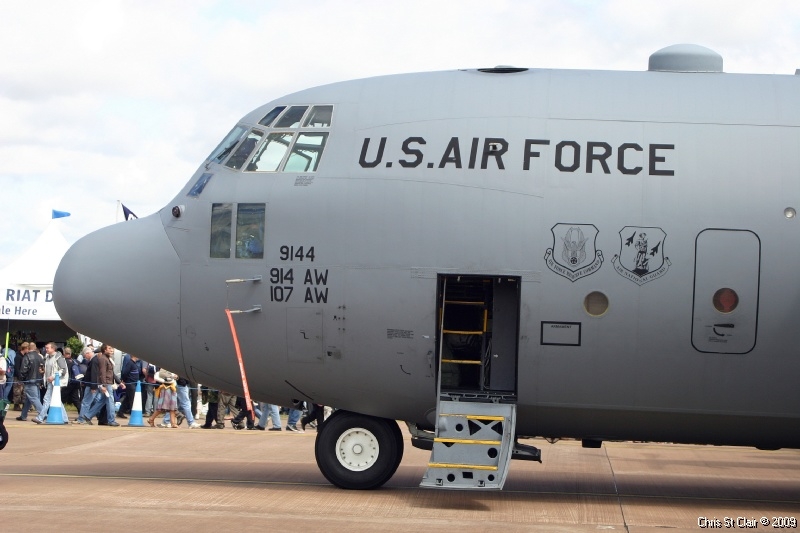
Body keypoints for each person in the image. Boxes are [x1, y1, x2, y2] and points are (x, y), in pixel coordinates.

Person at [77, 344, 123, 426]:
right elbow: (102, 373)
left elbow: (110, 373)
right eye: (109, 348)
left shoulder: (106, 359)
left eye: (112, 348)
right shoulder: (103, 359)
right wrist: (103, 385)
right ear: (104, 350)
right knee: (110, 401)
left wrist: (119, 382)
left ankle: (87, 416)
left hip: (105, 383)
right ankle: (111, 420)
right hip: (106, 383)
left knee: (102, 401)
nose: (112, 350)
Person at [33, 342, 69, 424]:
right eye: (45, 348)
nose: (46, 349)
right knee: (57, 400)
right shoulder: (47, 357)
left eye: (47, 348)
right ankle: (65, 418)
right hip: (50, 382)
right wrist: (43, 372)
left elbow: (63, 370)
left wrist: (53, 376)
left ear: (53, 348)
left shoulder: (59, 357)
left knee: (47, 399)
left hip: (56, 382)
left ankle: (40, 417)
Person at [17, 342, 44, 421]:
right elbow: (43, 369)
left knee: (33, 398)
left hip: (29, 380)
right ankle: (23, 415)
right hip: (37, 380)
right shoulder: (40, 357)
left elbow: (23, 370)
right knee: (28, 399)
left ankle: (43, 414)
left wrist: (21, 379)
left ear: (28, 348)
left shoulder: (27, 356)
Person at [118, 353, 143, 418]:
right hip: (130, 383)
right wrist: (124, 380)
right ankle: (133, 414)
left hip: (133, 383)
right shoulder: (130, 363)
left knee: (127, 398)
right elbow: (125, 372)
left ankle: (120, 412)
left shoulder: (134, 363)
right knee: (132, 399)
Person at [61, 347, 82, 411]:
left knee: (61, 398)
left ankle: (60, 413)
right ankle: (82, 413)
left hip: (67, 383)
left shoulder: (64, 362)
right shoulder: (76, 361)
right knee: (76, 399)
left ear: (64, 353)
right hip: (76, 382)